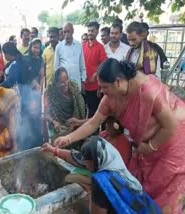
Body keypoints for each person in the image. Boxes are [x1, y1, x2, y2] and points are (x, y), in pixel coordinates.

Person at [55, 58, 185, 213]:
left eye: (104, 87)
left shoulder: (149, 91)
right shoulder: (110, 98)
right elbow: (93, 122)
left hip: (172, 146)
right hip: (145, 149)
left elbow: (171, 125)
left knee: (166, 194)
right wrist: (68, 138)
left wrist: (151, 146)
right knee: (146, 190)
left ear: (118, 82)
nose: (101, 91)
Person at [42, 136, 162, 214]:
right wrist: (54, 150)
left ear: (94, 160)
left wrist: (91, 193)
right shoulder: (114, 163)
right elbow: (77, 157)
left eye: (87, 162)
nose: (85, 164)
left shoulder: (102, 182)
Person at [44, 67, 86, 141]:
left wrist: (78, 122)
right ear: (56, 83)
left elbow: (81, 109)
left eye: (67, 80)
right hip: (59, 128)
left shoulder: (74, 87)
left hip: (75, 123)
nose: (65, 84)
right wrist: (54, 122)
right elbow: (46, 113)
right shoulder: (50, 91)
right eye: (62, 82)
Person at [83, 22, 107, 118]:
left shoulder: (100, 47)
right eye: (89, 31)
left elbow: (104, 63)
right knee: (83, 110)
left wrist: (95, 74)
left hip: (95, 86)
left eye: (92, 31)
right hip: (83, 84)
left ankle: (93, 132)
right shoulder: (82, 46)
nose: (90, 33)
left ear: (97, 32)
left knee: (94, 110)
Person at [54, 23, 87, 91]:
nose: (66, 34)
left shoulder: (78, 45)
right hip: (63, 86)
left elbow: (82, 64)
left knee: (76, 101)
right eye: (64, 32)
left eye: (68, 31)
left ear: (73, 31)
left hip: (76, 84)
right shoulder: (59, 47)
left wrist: (83, 80)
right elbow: (56, 68)